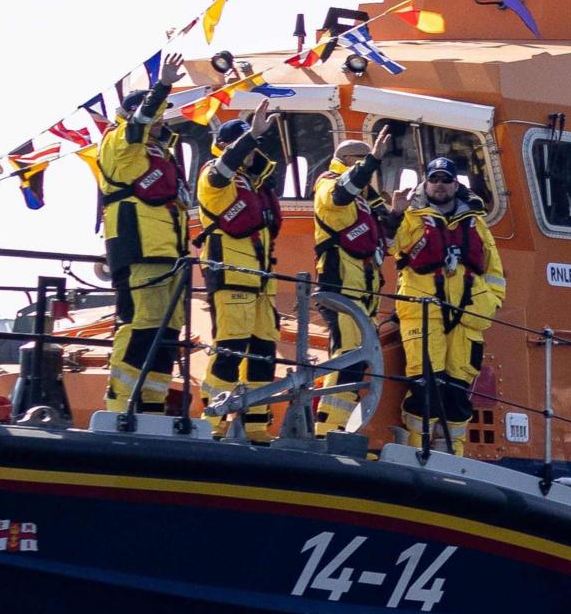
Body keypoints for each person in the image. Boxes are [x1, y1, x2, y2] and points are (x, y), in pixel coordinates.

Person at [91, 76, 192, 421]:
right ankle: (118, 406)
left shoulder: (160, 153)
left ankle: (152, 408)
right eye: (158, 116)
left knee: (167, 332)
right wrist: (161, 87)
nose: (161, 123)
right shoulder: (119, 142)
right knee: (139, 326)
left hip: (169, 253)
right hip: (137, 248)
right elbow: (138, 125)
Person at [392, 157, 504, 447]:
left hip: (467, 318)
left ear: (456, 184)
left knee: (457, 392)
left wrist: (491, 302)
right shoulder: (411, 218)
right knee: (425, 386)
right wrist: (395, 213)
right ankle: (416, 450)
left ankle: (453, 454)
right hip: (423, 313)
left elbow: (493, 270)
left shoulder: (475, 222)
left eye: (445, 179)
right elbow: (390, 246)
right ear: (426, 183)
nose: (439, 185)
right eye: (434, 179)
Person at [193, 126, 286, 440]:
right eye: (242, 144)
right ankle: (213, 422)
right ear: (223, 145)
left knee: (264, 351)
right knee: (230, 349)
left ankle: (256, 424)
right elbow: (221, 171)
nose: (249, 150)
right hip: (231, 274)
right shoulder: (215, 177)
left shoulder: (255, 184)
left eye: (252, 144)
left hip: (261, 280)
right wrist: (250, 135)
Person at [305, 138, 390, 432]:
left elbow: (387, 231)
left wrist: (400, 210)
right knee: (348, 354)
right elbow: (341, 195)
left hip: (362, 289)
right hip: (341, 285)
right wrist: (374, 160)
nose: (367, 167)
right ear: (351, 160)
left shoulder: (365, 198)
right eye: (362, 160)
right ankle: (327, 428)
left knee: (356, 357)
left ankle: (336, 428)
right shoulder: (329, 185)